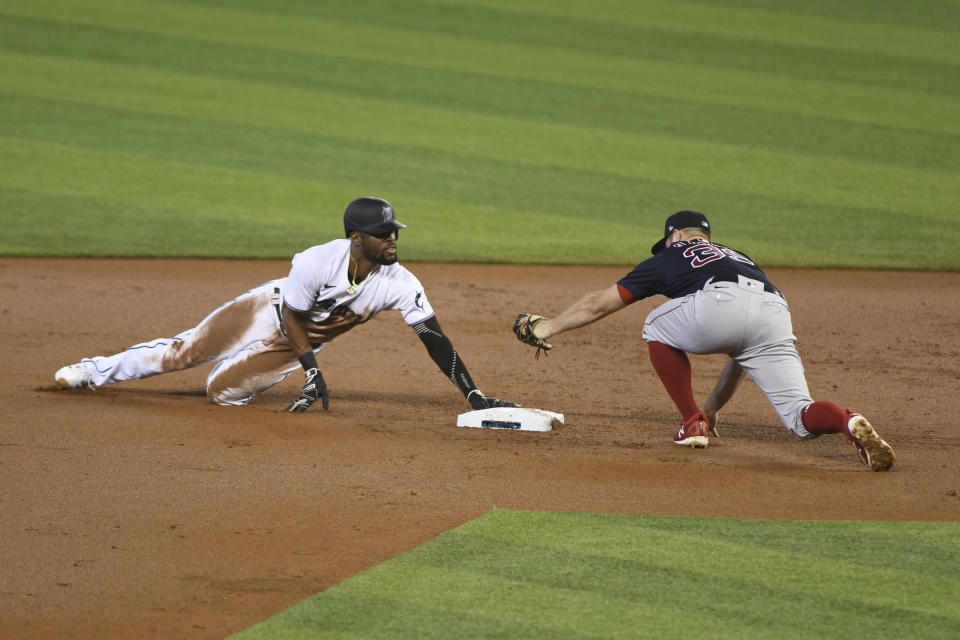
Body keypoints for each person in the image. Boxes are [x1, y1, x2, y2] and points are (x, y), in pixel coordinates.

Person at [55, 196, 517, 414]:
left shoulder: (400, 283)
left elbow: (435, 339)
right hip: (268, 310)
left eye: (394, 231)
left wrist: (472, 394)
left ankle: (245, 366)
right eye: (383, 234)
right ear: (357, 239)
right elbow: (294, 315)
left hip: (293, 344)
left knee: (220, 393)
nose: (392, 239)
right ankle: (93, 371)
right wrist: (313, 369)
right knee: (186, 351)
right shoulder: (317, 260)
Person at [513, 210, 894, 471]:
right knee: (799, 416)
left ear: (675, 235)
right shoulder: (739, 256)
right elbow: (742, 353)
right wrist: (713, 409)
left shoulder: (671, 254)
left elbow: (599, 305)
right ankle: (849, 421)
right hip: (775, 308)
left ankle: (689, 422)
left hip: (719, 300)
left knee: (654, 325)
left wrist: (547, 328)